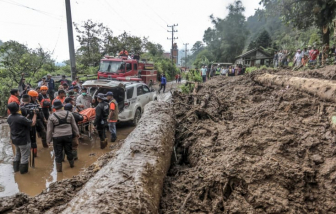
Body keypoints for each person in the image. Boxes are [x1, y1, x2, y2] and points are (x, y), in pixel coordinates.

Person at [47, 100, 79, 172]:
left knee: (58, 153)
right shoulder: (69, 114)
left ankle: (59, 170)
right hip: (68, 135)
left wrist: (48, 140)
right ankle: (72, 165)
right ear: (62, 106)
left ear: (54, 108)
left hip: (57, 136)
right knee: (69, 150)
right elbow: (74, 125)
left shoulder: (52, 116)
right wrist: (77, 133)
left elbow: (49, 130)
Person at [7, 102, 36, 174]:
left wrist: (26, 118)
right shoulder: (21, 118)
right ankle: (23, 173)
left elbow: (17, 123)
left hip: (15, 140)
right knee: (24, 157)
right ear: (17, 108)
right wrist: (35, 114)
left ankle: (16, 170)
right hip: (24, 140)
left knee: (17, 154)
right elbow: (32, 123)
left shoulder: (9, 117)